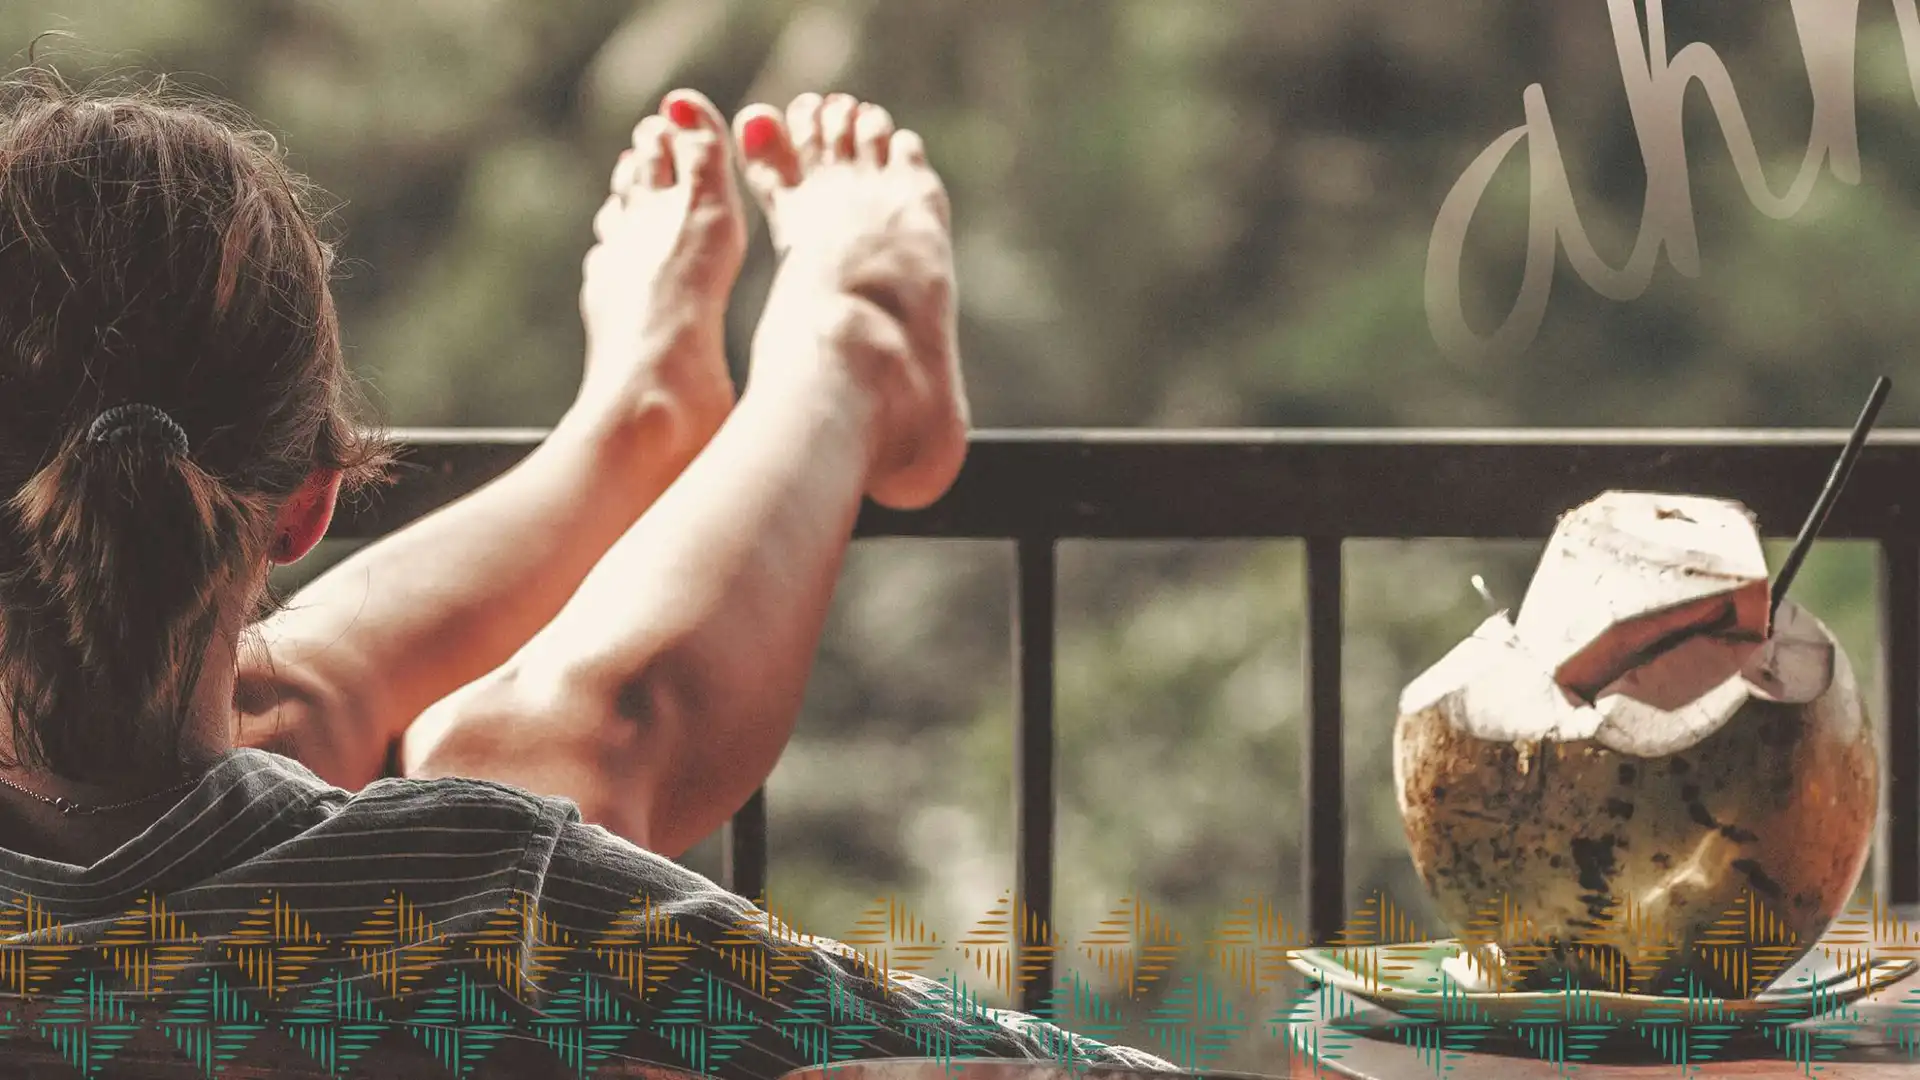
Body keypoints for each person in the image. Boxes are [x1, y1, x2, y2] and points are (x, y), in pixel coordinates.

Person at [0, 66, 1177, 1079]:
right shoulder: (499, 893)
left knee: (271, 710)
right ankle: (840, 344)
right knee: (521, 747)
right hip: (450, 910)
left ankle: (627, 428)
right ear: (308, 507)